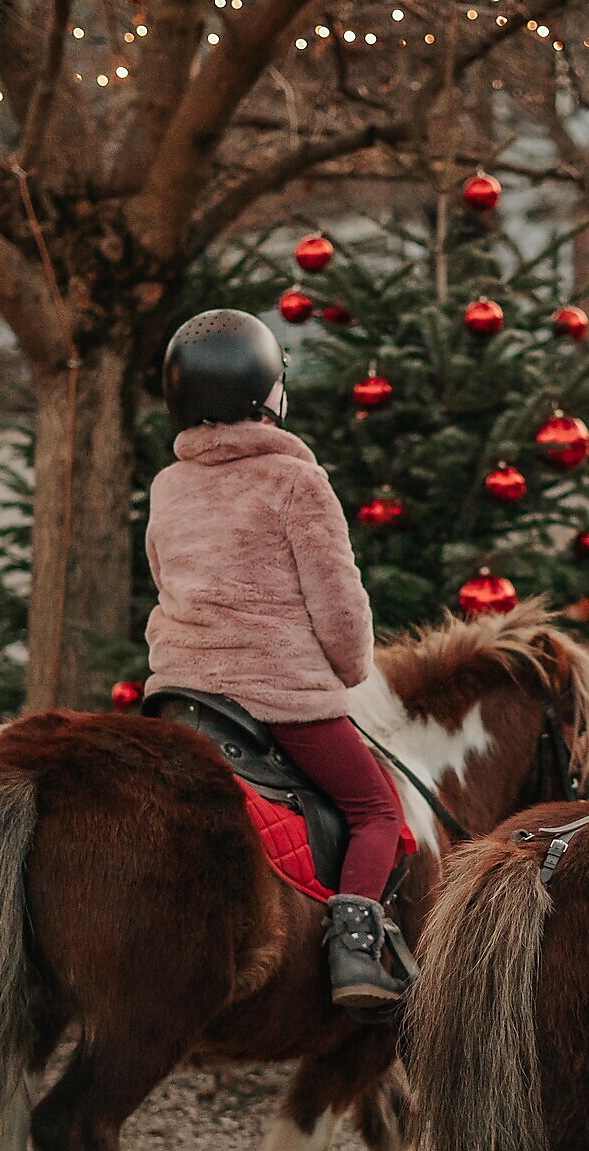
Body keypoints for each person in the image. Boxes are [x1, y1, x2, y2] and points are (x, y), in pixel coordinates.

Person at [144, 309, 407, 1011]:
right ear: (264, 393)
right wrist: (351, 671)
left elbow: (166, 581)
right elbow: (341, 613)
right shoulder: (297, 482)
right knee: (377, 809)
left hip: (181, 698)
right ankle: (354, 951)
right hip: (278, 699)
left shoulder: (167, 486)